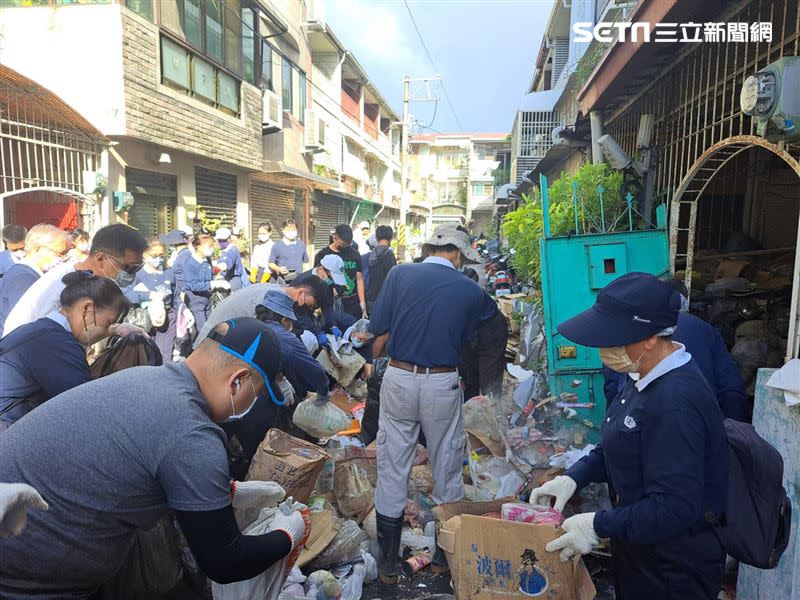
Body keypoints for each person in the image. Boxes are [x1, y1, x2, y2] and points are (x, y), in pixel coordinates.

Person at [0, 318, 307, 595]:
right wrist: (289, 533)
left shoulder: (148, 378)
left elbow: (133, 460)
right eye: (258, 393)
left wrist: (229, 492)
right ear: (237, 381)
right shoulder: (192, 432)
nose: (253, 404)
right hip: (28, 574)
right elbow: (225, 562)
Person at [530, 272, 728, 600]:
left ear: (650, 337)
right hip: (639, 548)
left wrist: (598, 526)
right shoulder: (640, 375)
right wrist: (573, 477)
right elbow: (619, 442)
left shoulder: (676, 399)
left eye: (613, 338)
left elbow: (674, 506)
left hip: (672, 567)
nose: (604, 349)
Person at [368, 224, 496, 583]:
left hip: (398, 377)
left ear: (428, 248)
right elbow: (479, 334)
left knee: (393, 466)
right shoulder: (469, 289)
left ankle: (388, 567)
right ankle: (441, 560)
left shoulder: (398, 273)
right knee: (447, 466)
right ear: (457, 254)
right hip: (441, 380)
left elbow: (378, 326)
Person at [603, 277, 748, 421]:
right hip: (700, 418)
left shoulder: (635, 328)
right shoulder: (707, 331)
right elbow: (731, 387)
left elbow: (613, 386)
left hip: (639, 421)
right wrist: (732, 428)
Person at [0, 271, 131, 431]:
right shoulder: (59, 344)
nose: (104, 331)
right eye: (107, 322)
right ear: (86, 308)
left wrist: (115, 329)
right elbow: (86, 406)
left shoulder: (40, 330)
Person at [3, 223, 147, 337]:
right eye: (128, 268)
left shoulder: (86, 279)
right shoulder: (65, 286)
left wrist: (115, 330)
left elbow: (80, 334)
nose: (131, 275)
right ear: (101, 259)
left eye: (137, 268)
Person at [193, 275, 327, 347]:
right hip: (211, 345)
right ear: (301, 292)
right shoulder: (272, 300)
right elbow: (274, 342)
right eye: (309, 305)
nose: (308, 310)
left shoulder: (276, 290)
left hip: (220, 341)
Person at [0, 224, 69, 334]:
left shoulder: (31, 274)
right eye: (59, 253)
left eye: (66, 254)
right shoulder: (23, 278)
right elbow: (24, 326)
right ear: (37, 249)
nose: (62, 259)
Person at [124, 238, 178, 362]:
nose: (158, 259)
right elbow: (125, 294)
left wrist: (183, 312)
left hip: (167, 318)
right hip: (144, 319)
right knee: (147, 356)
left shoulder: (169, 272)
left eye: (161, 255)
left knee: (165, 356)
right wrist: (148, 295)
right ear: (145, 254)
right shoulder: (137, 274)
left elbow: (176, 295)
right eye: (154, 255)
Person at [314, 224, 366, 320]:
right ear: (334, 237)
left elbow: (359, 279)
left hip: (353, 302)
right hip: (331, 303)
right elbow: (318, 279)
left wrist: (362, 302)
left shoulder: (355, 254)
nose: (345, 247)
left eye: (347, 245)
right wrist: (330, 287)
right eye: (342, 244)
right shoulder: (322, 255)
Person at [184, 231, 228, 338]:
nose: (211, 248)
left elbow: (209, 274)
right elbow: (192, 285)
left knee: (211, 326)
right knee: (202, 330)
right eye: (208, 246)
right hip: (196, 301)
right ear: (198, 246)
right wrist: (213, 283)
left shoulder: (207, 260)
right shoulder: (190, 263)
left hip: (207, 298)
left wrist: (217, 273)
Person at [365, 225, 396, 314]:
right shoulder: (389, 254)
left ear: (377, 237)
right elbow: (392, 277)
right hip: (384, 298)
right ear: (390, 238)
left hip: (371, 296)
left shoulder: (371, 254)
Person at [215, 227, 244, 291]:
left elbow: (228, 263)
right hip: (226, 278)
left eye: (223, 240)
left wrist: (218, 267)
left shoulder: (232, 250)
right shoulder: (224, 250)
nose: (221, 242)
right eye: (220, 240)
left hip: (234, 280)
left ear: (229, 239)